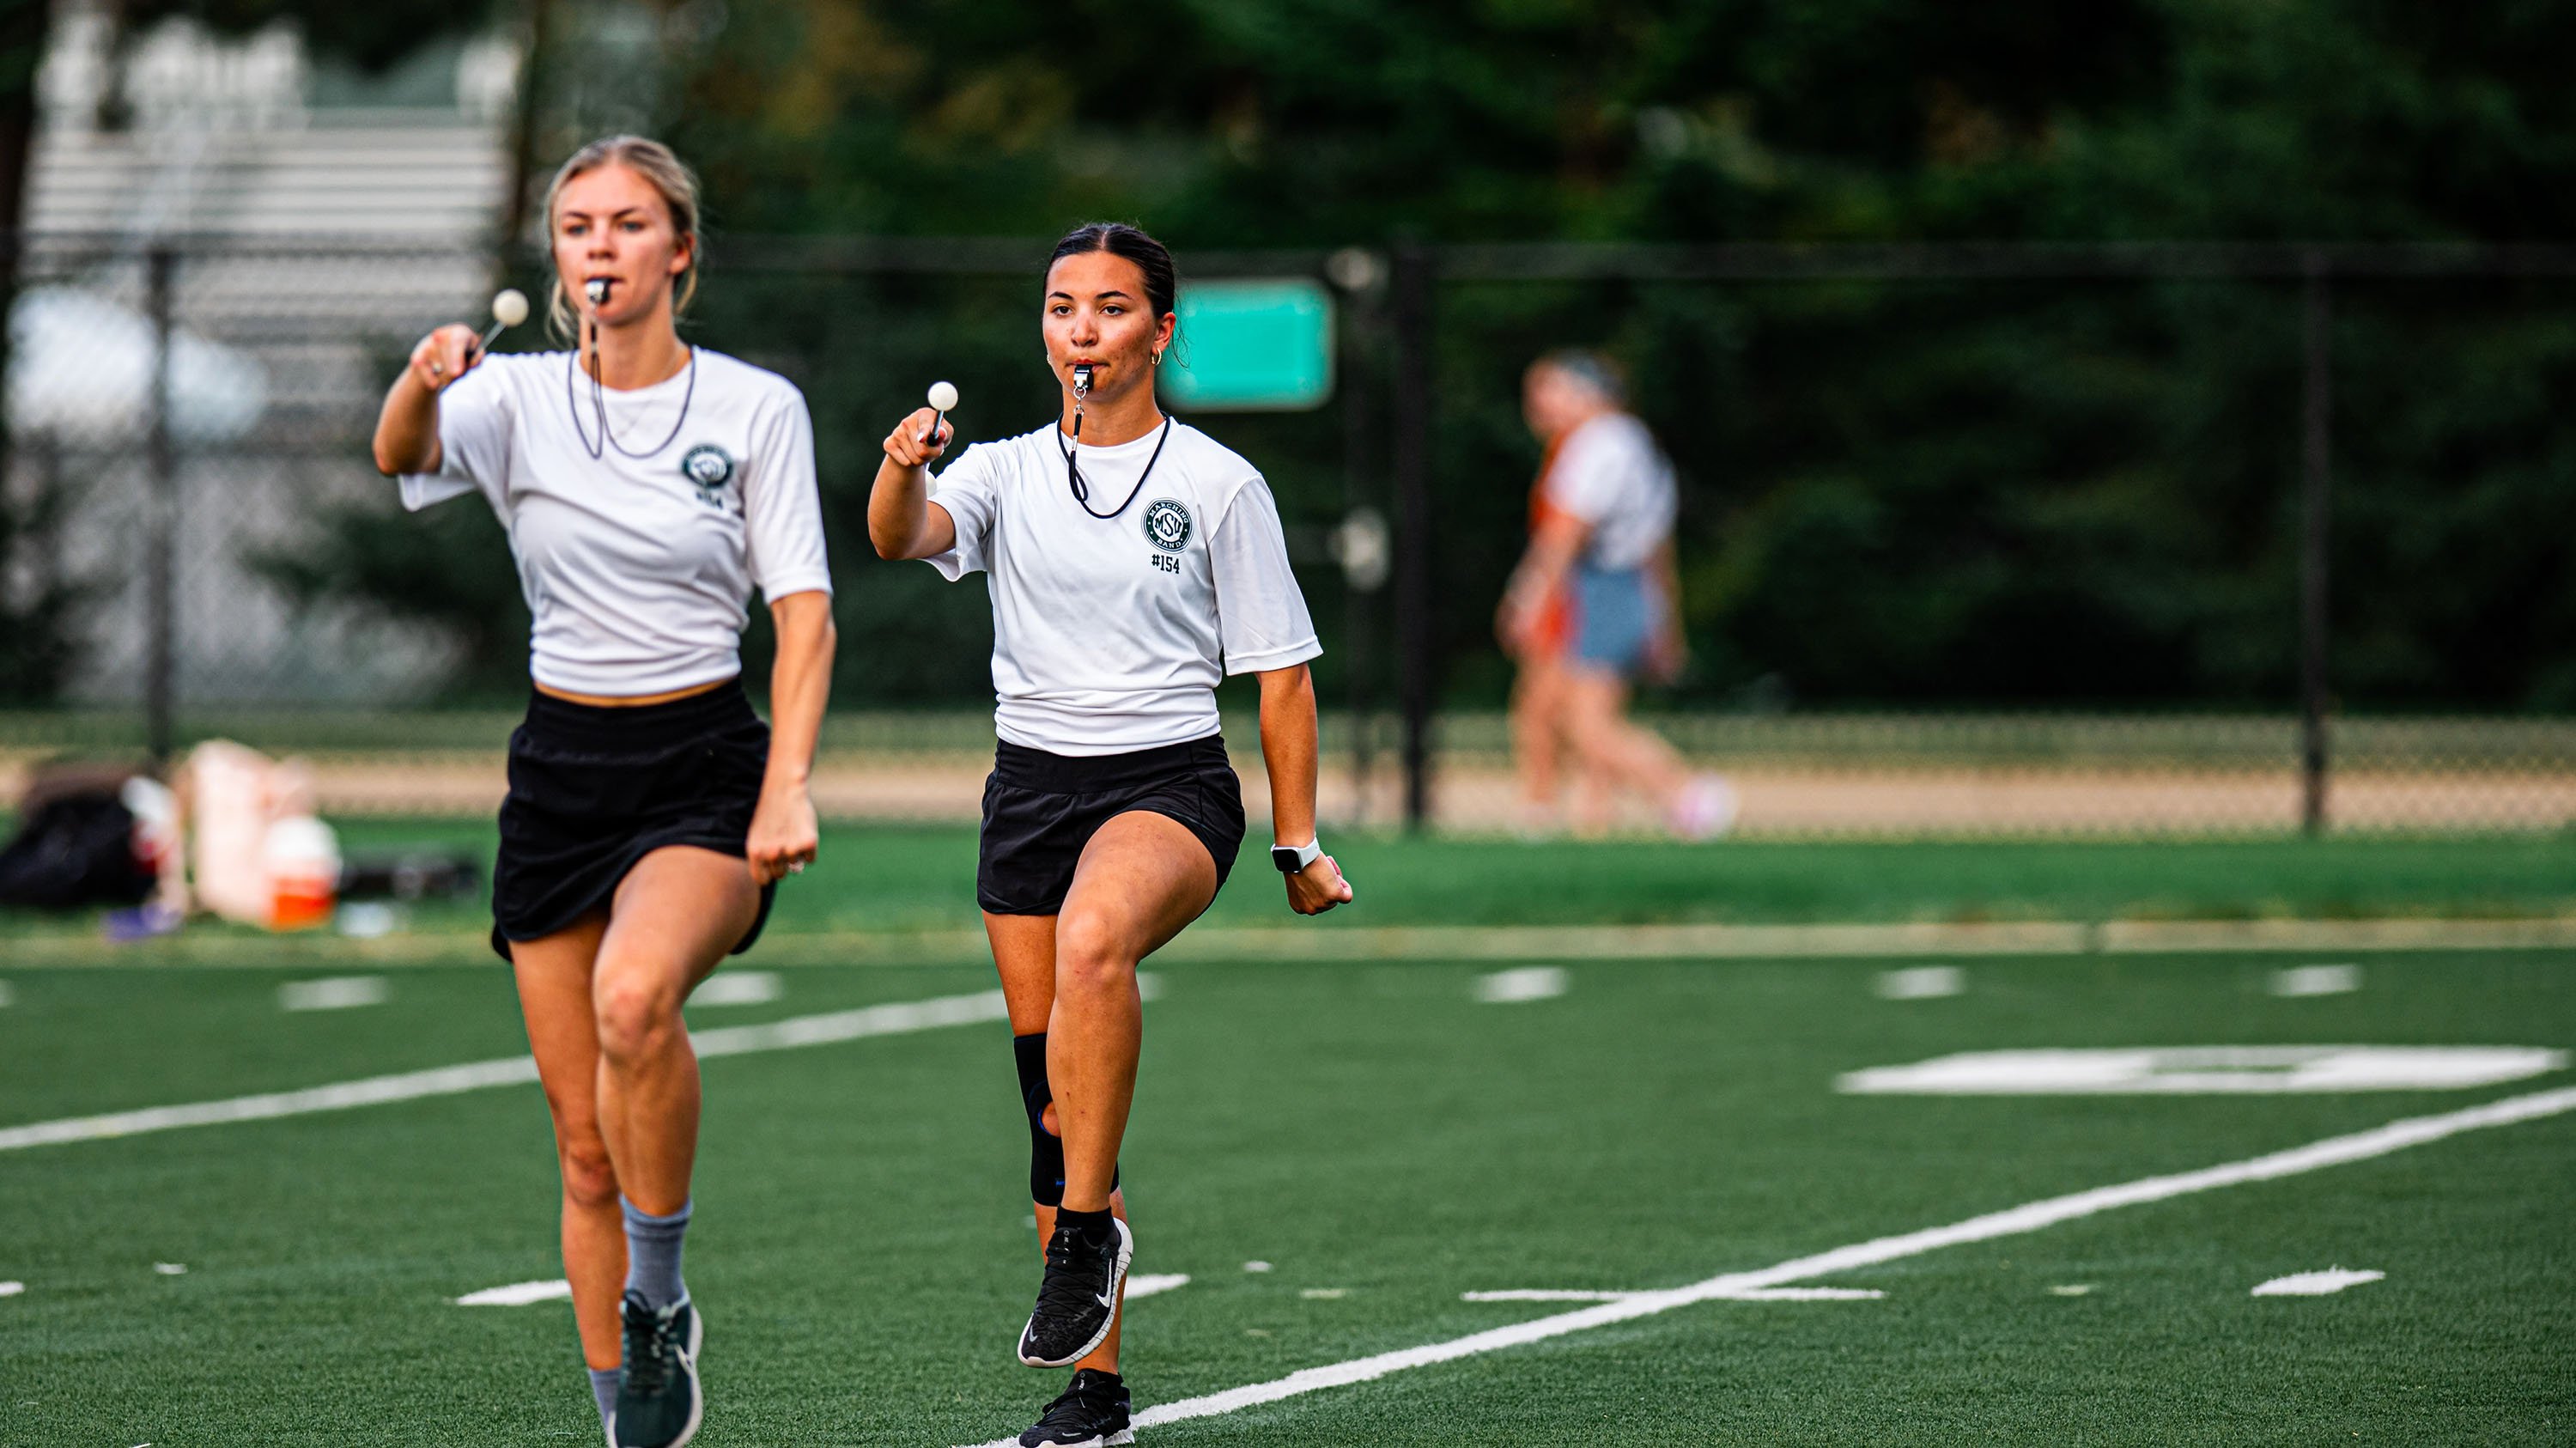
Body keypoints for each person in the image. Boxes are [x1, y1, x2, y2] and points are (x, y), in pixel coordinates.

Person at [371, 135, 835, 1448]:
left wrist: (787, 787)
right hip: (560, 771)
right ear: (557, 254)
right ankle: (626, 1417)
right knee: (583, 1147)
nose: (600, 247)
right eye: (578, 226)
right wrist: (420, 378)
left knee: (635, 998)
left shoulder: (755, 406)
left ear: (678, 249)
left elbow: (804, 615)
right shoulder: (506, 395)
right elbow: (399, 455)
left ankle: (660, 1293)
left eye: (628, 224)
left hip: (703, 764)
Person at [868, 221, 1354, 1448]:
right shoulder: (999, 471)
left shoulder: (1220, 483)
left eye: (1111, 307)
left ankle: (1087, 1234)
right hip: (1030, 792)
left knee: (1095, 941)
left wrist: (1297, 844)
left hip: (1170, 784)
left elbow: (1283, 676)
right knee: (1055, 1108)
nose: (1082, 329)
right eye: (1062, 306)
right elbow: (897, 537)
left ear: (1159, 332)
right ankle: (1095, 1395)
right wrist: (903, 468)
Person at [1498, 350, 1733, 840]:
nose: (1537, 406)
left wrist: (1530, 597)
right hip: (1615, 587)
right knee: (1559, 707)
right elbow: (1658, 549)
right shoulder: (1630, 443)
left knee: (1587, 724)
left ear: (1586, 392)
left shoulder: (1600, 443)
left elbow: (1568, 532)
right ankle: (1587, 820)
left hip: (1603, 586)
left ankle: (1685, 794)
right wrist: (1664, 619)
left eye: (1549, 391)